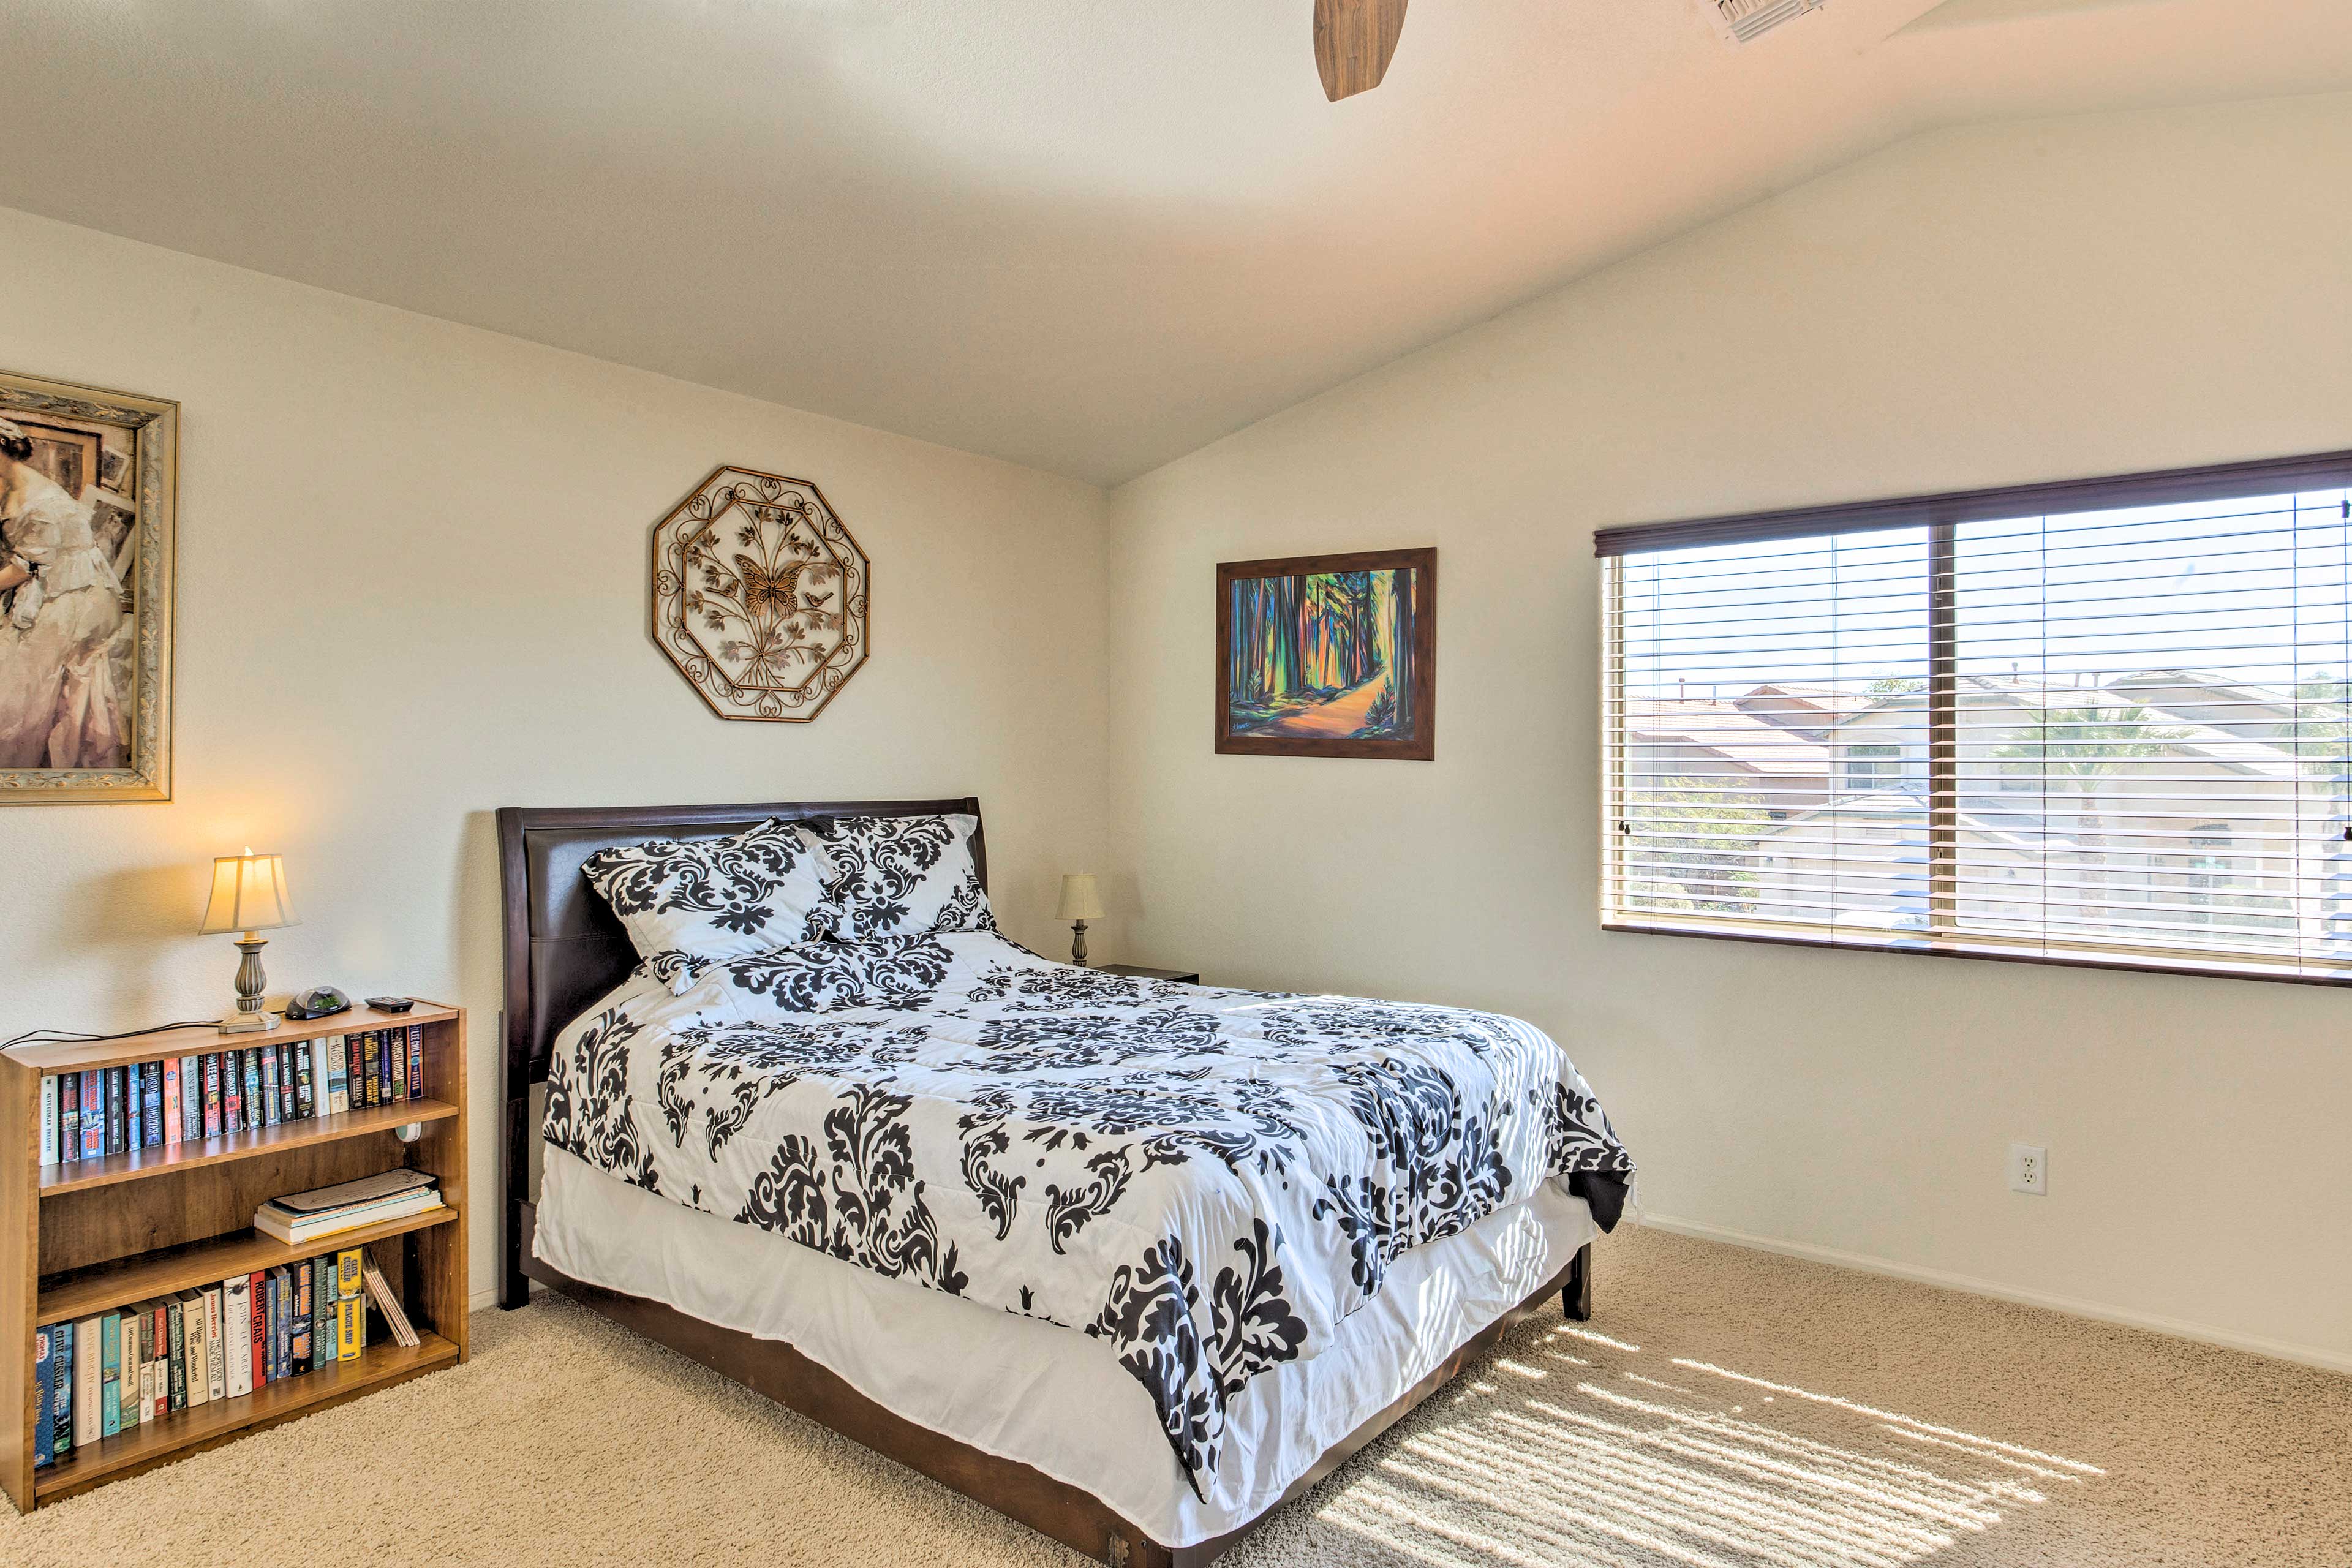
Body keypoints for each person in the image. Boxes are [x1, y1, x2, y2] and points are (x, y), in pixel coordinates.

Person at [0, 418, 127, 769]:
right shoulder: (11, 486)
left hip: (73, 601)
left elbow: (24, 568)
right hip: (56, 592)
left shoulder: (45, 502)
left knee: (20, 687)